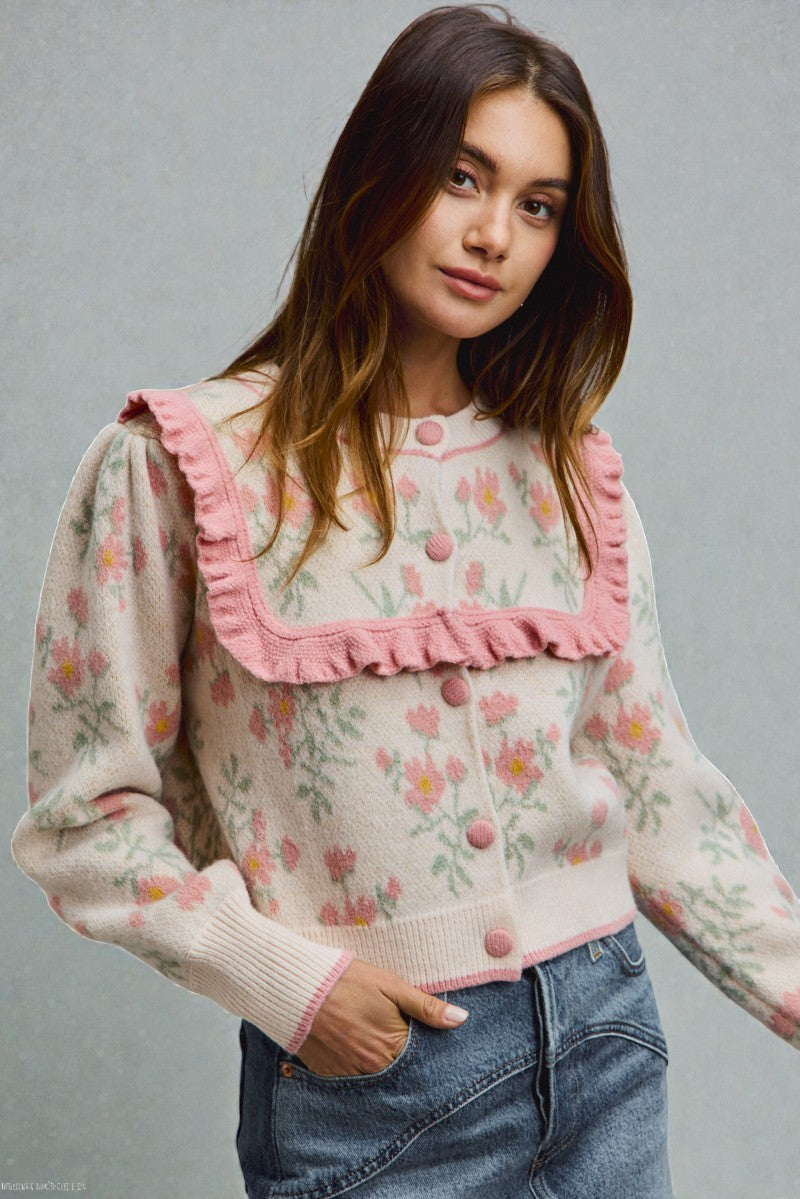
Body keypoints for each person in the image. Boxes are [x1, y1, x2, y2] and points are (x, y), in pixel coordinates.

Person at [11, 4, 799, 1197]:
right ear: (377, 170)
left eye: (536, 205)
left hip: (604, 1041)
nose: (493, 234)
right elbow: (85, 820)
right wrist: (286, 983)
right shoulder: (178, 465)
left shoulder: (572, 475)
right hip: (371, 1080)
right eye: (460, 176)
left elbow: (657, 788)